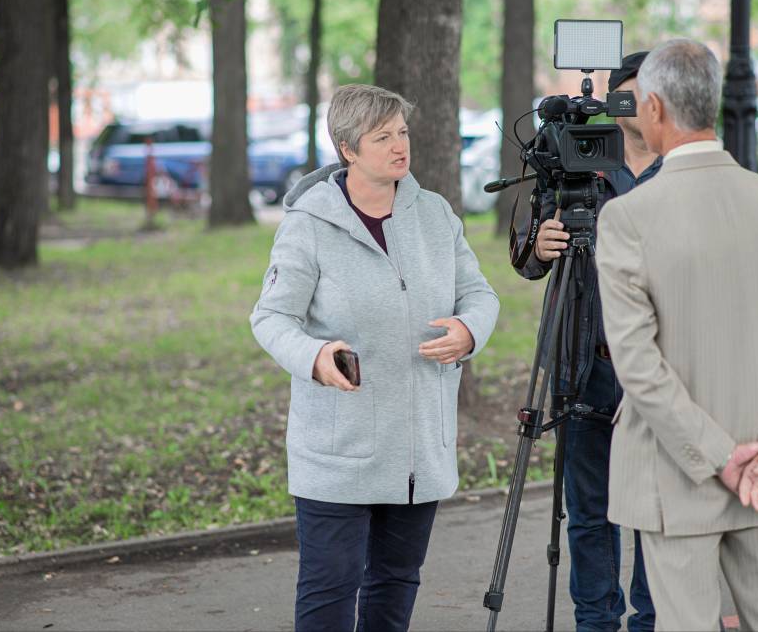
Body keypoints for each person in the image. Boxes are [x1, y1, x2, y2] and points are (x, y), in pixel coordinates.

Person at [595, 38, 758, 631]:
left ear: (652, 108)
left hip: (674, 476)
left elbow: (638, 365)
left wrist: (722, 459)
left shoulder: (628, 217)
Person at [250, 84, 500, 631]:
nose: (398, 146)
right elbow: (271, 318)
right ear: (347, 148)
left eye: (402, 133)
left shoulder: (435, 214)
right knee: (329, 591)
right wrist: (316, 357)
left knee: (395, 584)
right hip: (339, 452)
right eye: (382, 136)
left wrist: (468, 330)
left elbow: (479, 294)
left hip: (417, 451)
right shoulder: (310, 224)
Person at [517, 52, 660, 632]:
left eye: (645, 89)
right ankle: (594, 622)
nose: (634, 98)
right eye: (624, 88)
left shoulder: (683, 169)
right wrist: (541, 242)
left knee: (657, 509)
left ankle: (653, 619)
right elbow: (527, 260)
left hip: (658, 364)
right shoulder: (579, 159)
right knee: (589, 511)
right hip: (584, 359)